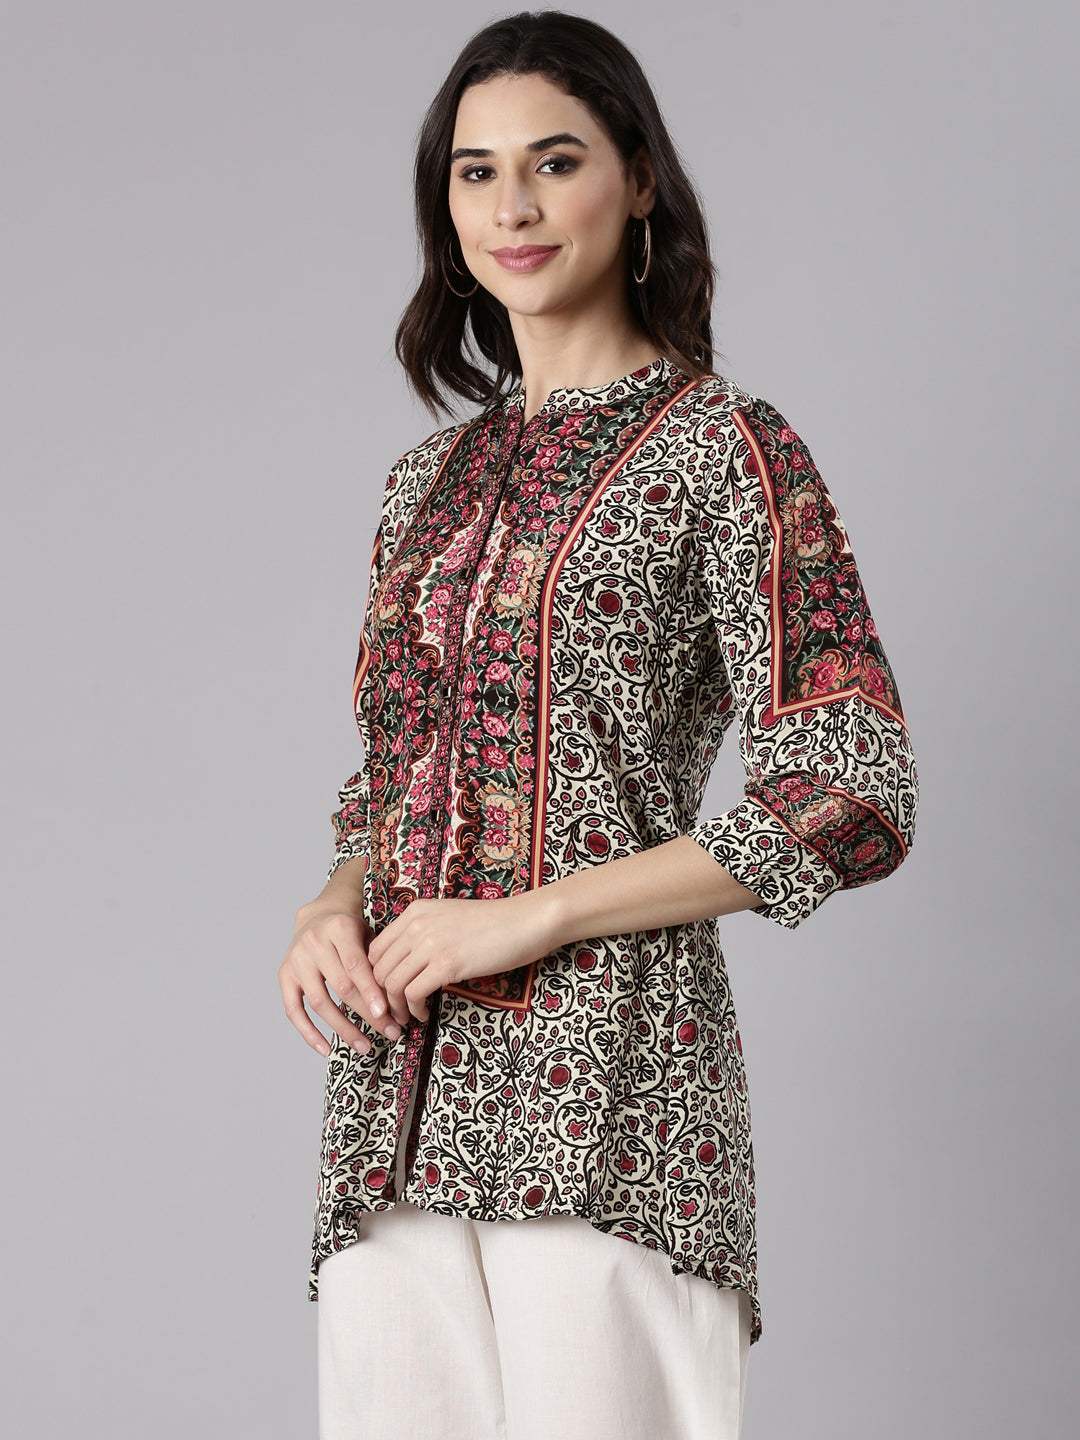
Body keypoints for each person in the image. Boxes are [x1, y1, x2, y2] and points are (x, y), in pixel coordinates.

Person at [278, 11, 919, 1440]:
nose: (511, 205)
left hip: (616, 1105)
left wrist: (532, 916)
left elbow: (853, 785)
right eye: (475, 172)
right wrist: (332, 902)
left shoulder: (724, 447)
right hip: (391, 1108)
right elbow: (392, 773)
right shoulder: (424, 484)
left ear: (637, 182)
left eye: (554, 162)